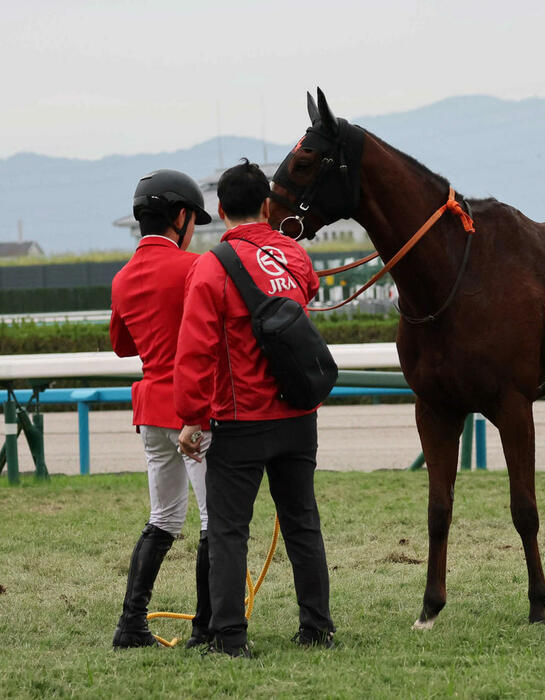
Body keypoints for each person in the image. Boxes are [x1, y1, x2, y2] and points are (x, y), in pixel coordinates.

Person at [175, 159, 335, 658]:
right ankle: (317, 628)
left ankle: (230, 637)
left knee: (227, 529)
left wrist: (192, 418)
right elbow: (304, 295)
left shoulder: (210, 266)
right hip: (298, 415)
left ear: (221, 210)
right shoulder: (294, 255)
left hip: (240, 419)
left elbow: (196, 350)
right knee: (302, 522)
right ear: (267, 205)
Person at [110, 169, 214, 649]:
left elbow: (120, 345)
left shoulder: (123, 278)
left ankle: (131, 625)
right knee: (215, 520)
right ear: (180, 217)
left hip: (151, 409)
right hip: (194, 408)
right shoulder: (194, 266)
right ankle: (206, 628)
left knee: (164, 518)